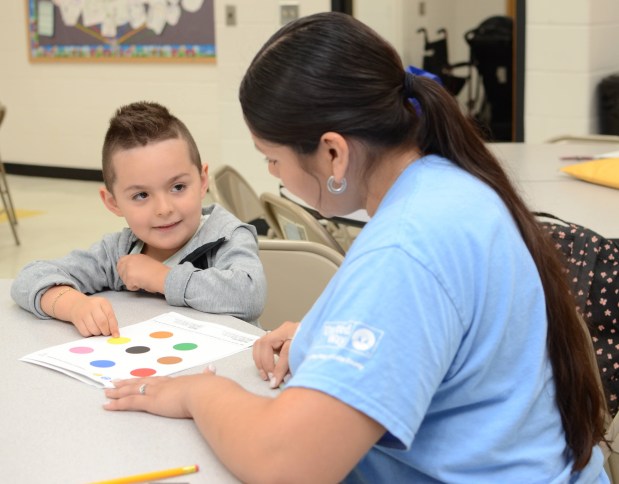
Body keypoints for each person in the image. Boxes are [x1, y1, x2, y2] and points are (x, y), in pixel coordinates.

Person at [102, 13, 609, 483]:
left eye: (273, 160)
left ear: (332, 153)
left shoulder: (409, 246)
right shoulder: (448, 184)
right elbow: (440, 327)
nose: (274, 176)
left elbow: (285, 464)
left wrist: (199, 391)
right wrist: (326, 335)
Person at [11, 101, 266, 337]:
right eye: (141, 195)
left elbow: (249, 295)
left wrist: (162, 277)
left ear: (201, 181)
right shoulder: (119, 253)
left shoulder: (227, 236)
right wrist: (73, 305)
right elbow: (29, 278)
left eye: (177, 187)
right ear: (113, 202)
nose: (164, 209)